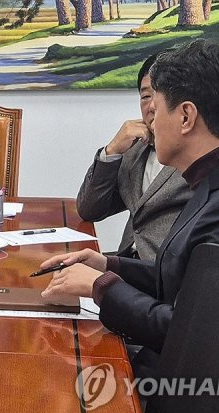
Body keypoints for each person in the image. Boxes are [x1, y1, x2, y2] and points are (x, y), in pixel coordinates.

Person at [40, 39, 219, 371]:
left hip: (193, 390)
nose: (151, 122)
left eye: (157, 109)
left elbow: (190, 336)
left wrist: (101, 287)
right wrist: (110, 265)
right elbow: (189, 280)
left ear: (185, 117)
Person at [76, 52, 193, 261]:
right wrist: (112, 151)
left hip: (165, 273)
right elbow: (90, 210)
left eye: (161, 95)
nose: (153, 106)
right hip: (125, 263)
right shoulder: (136, 148)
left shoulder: (202, 151)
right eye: (146, 96)